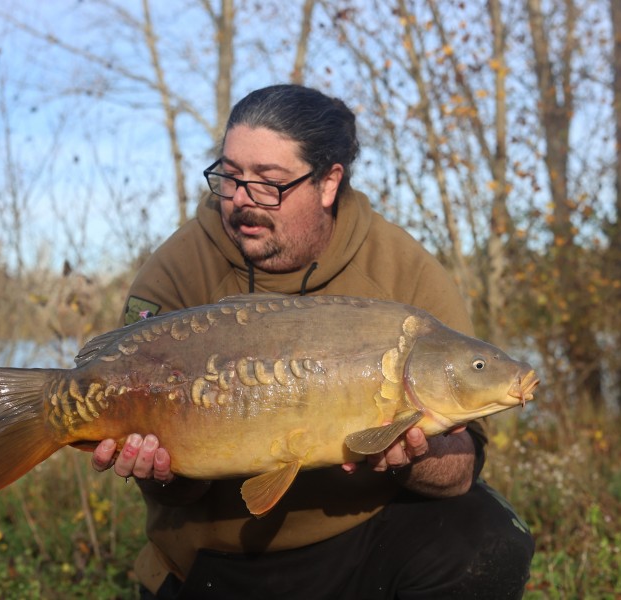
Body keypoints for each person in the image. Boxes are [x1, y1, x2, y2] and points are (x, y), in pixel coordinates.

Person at [91, 84, 534, 599]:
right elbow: (176, 489)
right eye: (230, 176)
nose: (240, 200)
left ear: (328, 183)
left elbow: (459, 473)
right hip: (214, 560)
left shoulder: (403, 273)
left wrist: (416, 454)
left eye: (268, 183)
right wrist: (159, 469)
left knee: (486, 538)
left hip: (360, 542)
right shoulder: (177, 273)